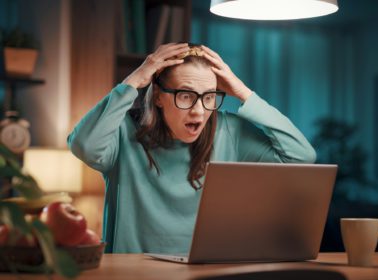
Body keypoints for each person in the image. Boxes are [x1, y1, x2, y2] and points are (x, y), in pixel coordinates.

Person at [68, 42, 316, 253]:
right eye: (186, 96)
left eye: (209, 97)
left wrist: (243, 93)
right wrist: (134, 80)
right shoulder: (122, 132)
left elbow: (301, 157)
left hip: (206, 273)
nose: (199, 110)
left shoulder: (230, 132)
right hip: (132, 272)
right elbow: (84, 145)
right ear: (157, 96)